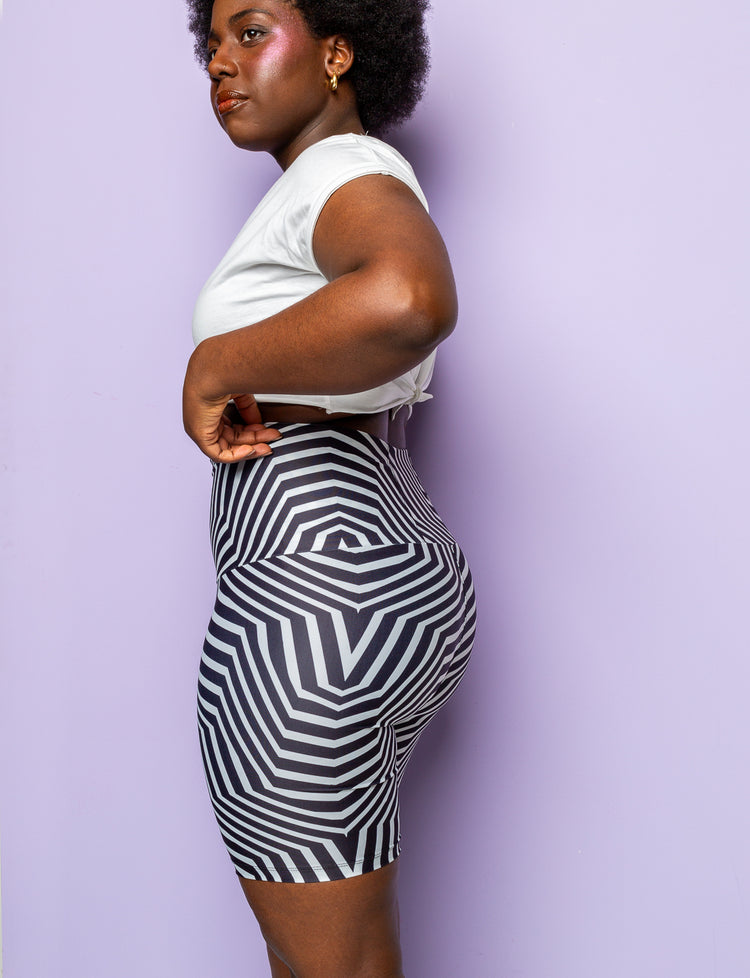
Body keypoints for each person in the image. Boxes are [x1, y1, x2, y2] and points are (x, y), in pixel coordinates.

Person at [182, 0, 477, 974]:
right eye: (214, 41)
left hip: (309, 588)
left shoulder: (339, 172)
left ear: (342, 50)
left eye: (253, 31)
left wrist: (217, 364)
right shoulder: (335, 183)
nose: (223, 61)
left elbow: (409, 297)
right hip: (376, 557)